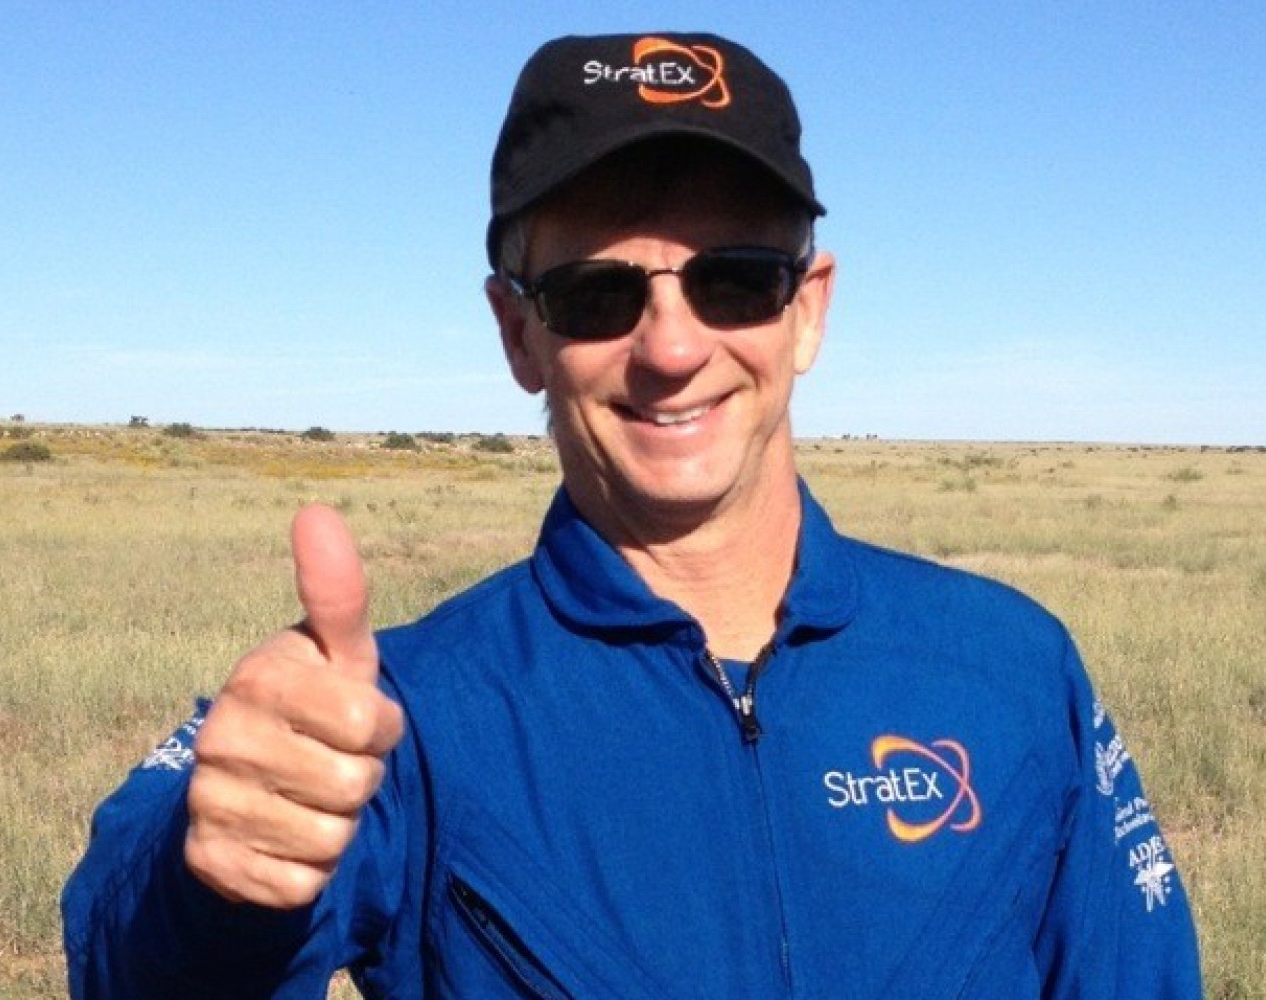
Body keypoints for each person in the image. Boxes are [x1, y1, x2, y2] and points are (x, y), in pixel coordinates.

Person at [62, 31, 1202, 999]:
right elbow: (128, 964)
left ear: (807, 311)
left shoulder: (1008, 666)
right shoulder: (404, 720)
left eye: (735, 278)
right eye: (598, 294)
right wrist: (206, 877)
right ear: (519, 334)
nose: (670, 347)